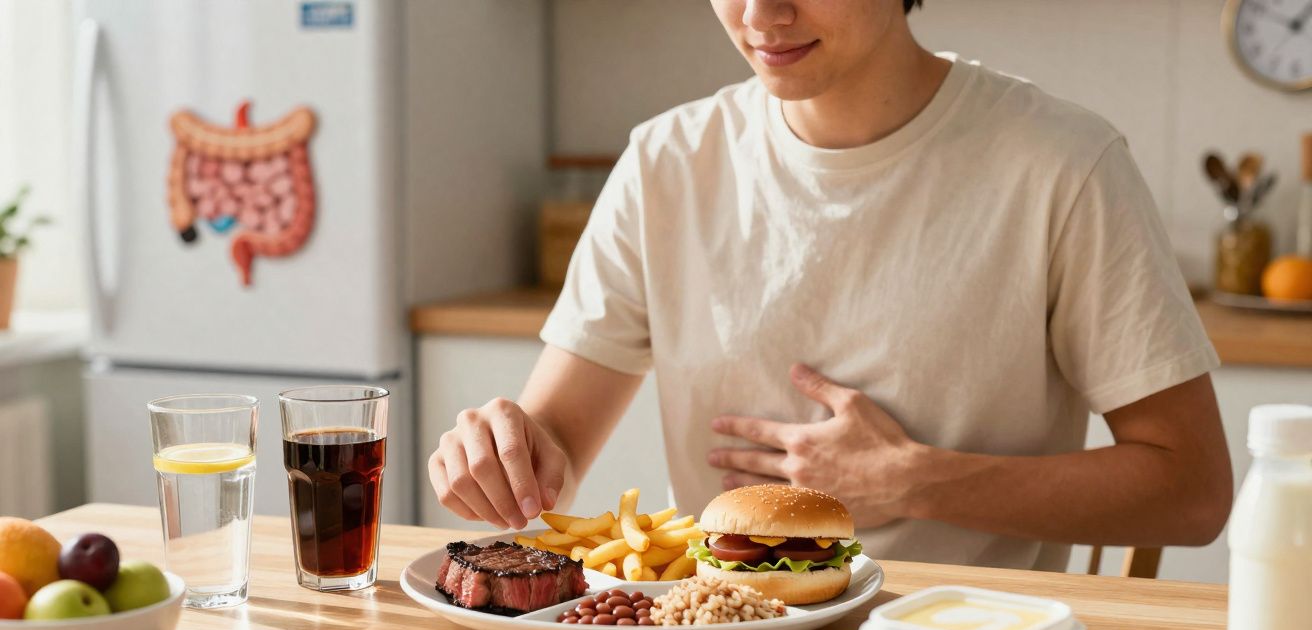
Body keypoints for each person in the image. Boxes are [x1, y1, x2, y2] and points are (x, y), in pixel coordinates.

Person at [427, 0, 1232, 571]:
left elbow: (1192, 491)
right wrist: (504, 452)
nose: (761, 14)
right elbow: (554, 442)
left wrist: (914, 481)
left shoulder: (1064, 166)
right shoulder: (666, 163)